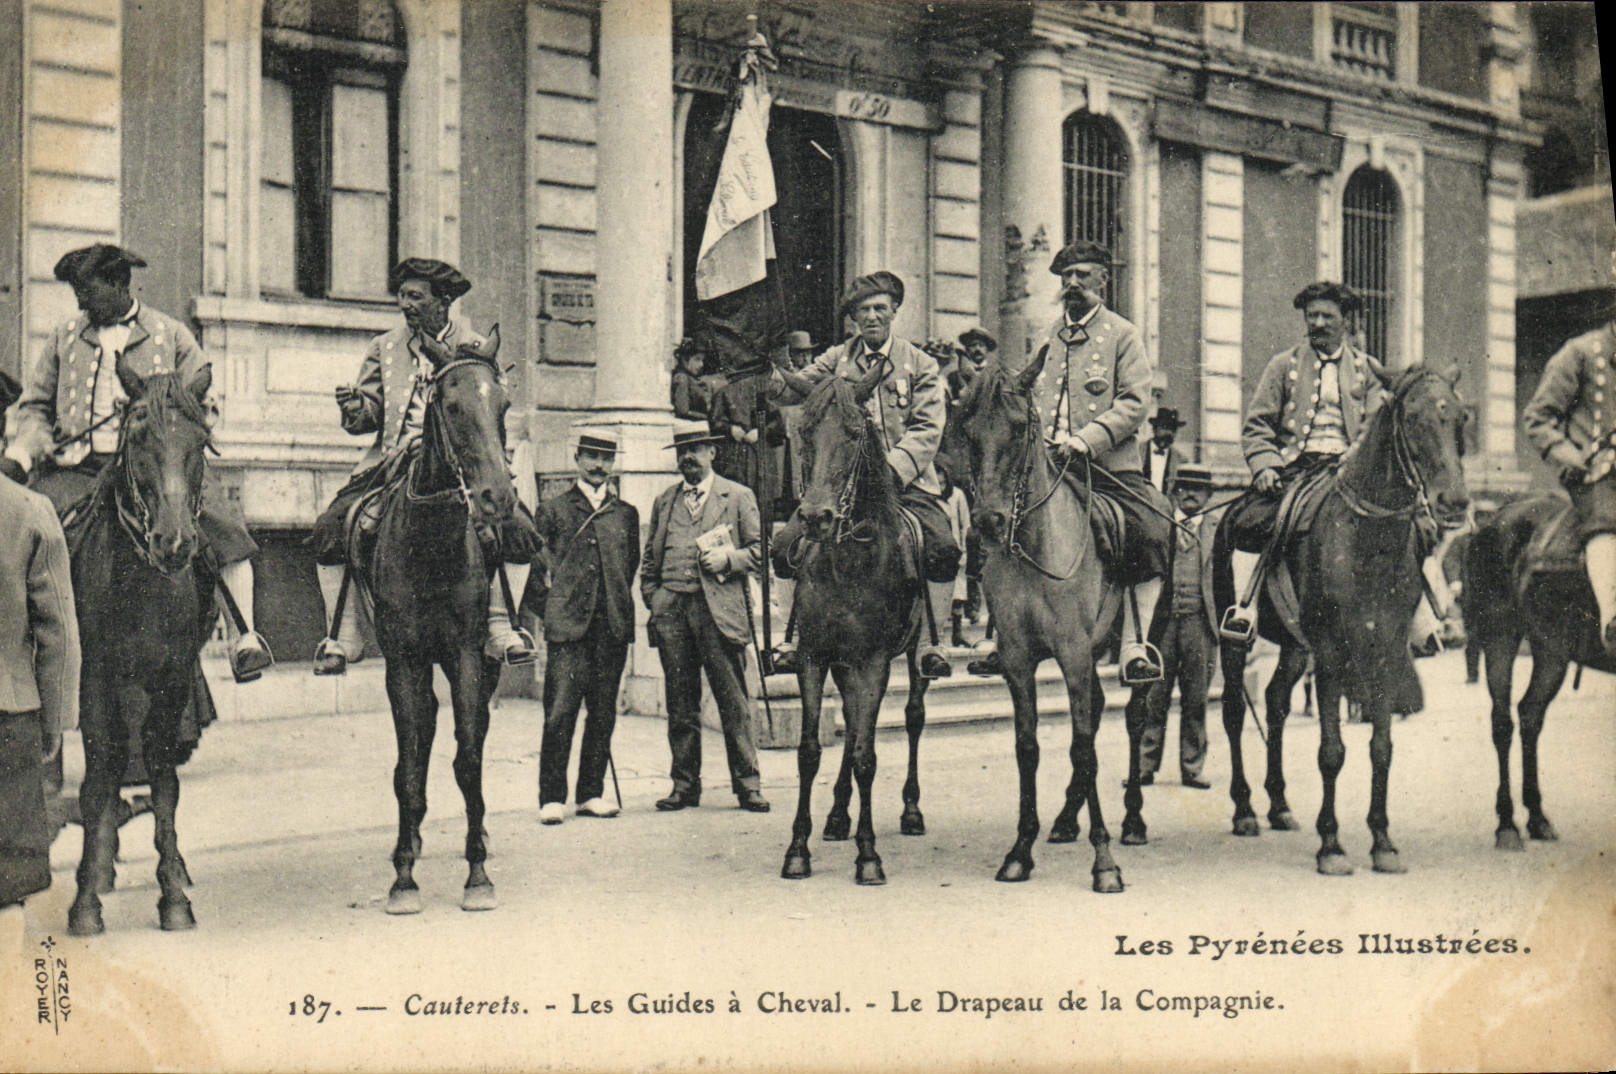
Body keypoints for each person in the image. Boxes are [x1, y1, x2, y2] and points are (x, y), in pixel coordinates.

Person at [1, 244, 271, 683]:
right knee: (21, 526)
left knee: (222, 524)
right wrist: (22, 453)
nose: (80, 301)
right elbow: (35, 409)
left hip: (156, 468)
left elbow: (206, 406)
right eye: (76, 292)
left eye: (86, 290)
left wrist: (175, 436)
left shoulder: (171, 334)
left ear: (118, 284)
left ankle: (246, 636)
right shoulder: (64, 336)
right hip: (79, 468)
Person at [310, 257, 535, 674]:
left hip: (464, 464)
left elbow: (491, 412)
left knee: (519, 527)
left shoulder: (476, 346)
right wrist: (356, 407)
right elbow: (370, 415)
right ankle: (343, 634)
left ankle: (502, 625)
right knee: (330, 525)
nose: (406, 305)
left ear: (443, 301)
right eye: (402, 296)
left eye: (416, 297)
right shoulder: (384, 347)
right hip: (393, 460)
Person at [772, 271, 960, 680]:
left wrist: (893, 472)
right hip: (841, 489)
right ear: (852, 318)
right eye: (863, 311)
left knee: (942, 545)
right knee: (786, 543)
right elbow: (791, 390)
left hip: (904, 487)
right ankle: (794, 636)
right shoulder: (836, 359)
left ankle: (930, 642)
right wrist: (766, 366)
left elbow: (928, 428)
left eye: (879, 308)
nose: (872, 317)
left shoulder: (920, 364)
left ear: (894, 310)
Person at [1033, 241, 1171, 683]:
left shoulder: (1122, 334)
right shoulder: (1048, 335)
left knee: (1151, 527)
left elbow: (1134, 402)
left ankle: (1134, 643)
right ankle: (1007, 634)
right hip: (1047, 464)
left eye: (1083, 275)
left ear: (1103, 281)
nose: (1073, 284)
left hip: (1105, 465)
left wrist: (1085, 440)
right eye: (1066, 276)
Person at [1220, 281, 1385, 641]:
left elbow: (1374, 425)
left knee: (1408, 523)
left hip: (1350, 469)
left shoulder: (1368, 369)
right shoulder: (1284, 365)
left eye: (1328, 316)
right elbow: (1257, 424)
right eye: (1313, 316)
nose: (1319, 324)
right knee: (1251, 521)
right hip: (1298, 468)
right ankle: (1244, 608)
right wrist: (1265, 466)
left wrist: (1355, 459)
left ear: (1345, 321)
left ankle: (1422, 619)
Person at [641, 420, 769, 813]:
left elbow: (761, 552)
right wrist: (657, 600)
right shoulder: (665, 501)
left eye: (696, 448)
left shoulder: (737, 496)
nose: (688, 457)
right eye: (682, 450)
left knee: (733, 701)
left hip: (720, 615)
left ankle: (747, 785)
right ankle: (684, 785)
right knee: (681, 704)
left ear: (713, 452)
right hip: (674, 613)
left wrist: (729, 559)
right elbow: (649, 563)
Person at [529, 430, 640, 824]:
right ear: (576, 458)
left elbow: (628, 569)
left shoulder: (626, 514)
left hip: (610, 629)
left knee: (603, 713)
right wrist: (556, 612)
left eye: (606, 458)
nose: (598, 465)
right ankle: (552, 797)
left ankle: (591, 792)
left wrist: (612, 608)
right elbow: (534, 576)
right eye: (591, 456)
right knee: (560, 713)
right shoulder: (553, 510)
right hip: (568, 633)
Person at [0, 472, 79, 910]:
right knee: (8, 881)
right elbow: (59, 633)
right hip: (10, 717)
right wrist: (55, 720)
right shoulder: (30, 510)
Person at [1522, 292, 1616, 655]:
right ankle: (1611, 620)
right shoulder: (1580, 352)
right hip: (1597, 474)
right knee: (1606, 523)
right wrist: (1572, 457)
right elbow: (1538, 418)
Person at [1139, 465, 1219, 789]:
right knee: (1154, 697)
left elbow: (1226, 580)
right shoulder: (1160, 526)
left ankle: (1192, 766)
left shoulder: (1217, 529)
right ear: (1174, 491)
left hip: (1201, 624)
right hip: (1163, 625)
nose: (1190, 494)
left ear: (1209, 495)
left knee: (1196, 698)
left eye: (1198, 489)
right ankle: (1144, 764)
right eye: (1184, 487)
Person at [1142, 406, 1188, 495]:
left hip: (1166, 507)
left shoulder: (1181, 460)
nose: (1169, 433)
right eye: (1164, 427)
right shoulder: (1137, 452)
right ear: (1154, 429)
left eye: (1173, 429)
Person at [670, 339, 712, 421]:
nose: (701, 365)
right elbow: (683, 411)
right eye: (697, 359)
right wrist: (708, 418)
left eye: (702, 360)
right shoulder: (682, 378)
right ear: (685, 360)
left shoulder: (690, 378)